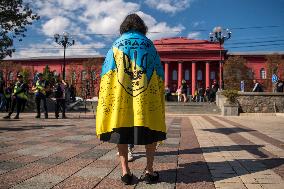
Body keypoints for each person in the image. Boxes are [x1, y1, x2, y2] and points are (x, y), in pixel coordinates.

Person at [96, 13, 166, 185]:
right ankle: (149, 171)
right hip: (146, 98)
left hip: (121, 99)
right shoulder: (149, 45)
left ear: (124, 27)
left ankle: (125, 172)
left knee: (121, 132)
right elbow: (159, 74)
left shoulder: (115, 45)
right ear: (142, 27)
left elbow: (106, 75)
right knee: (151, 131)